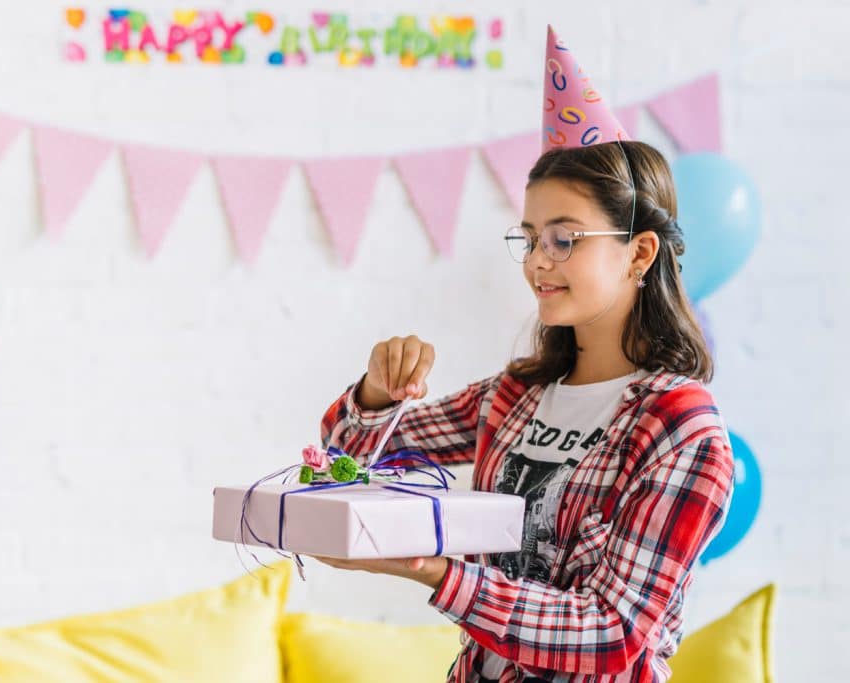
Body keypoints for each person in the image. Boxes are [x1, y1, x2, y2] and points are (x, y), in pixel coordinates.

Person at [312, 26, 735, 683]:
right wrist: (375, 390)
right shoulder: (514, 397)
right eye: (531, 236)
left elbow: (612, 632)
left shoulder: (682, 434)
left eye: (565, 239)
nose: (538, 260)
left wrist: (435, 572)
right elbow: (349, 455)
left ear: (640, 253)